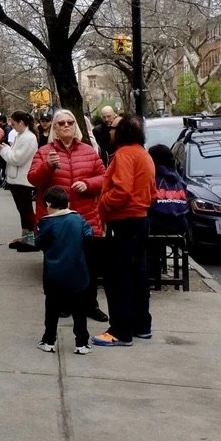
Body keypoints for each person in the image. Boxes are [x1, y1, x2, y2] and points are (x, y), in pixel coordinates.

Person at [27, 108, 108, 321]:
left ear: (76, 126)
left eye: (69, 122)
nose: (66, 126)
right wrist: (48, 167)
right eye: (61, 123)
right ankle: (62, 304)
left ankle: (90, 305)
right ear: (54, 128)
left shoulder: (89, 151)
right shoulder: (45, 152)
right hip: (56, 221)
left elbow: (104, 177)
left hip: (85, 218)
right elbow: (34, 180)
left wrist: (88, 184)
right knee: (58, 265)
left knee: (89, 265)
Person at [93, 114, 157, 347]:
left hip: (123, 221)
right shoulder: (143, 153)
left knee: (118, 278)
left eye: (111, 128)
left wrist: (103, 203)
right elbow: (151, 191)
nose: (108, 131)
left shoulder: (124, 155)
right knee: (138, 275)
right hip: (139, 220)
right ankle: (141, 325)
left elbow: (122, 191)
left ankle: (120, 330)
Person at [36, 186, 93, 355]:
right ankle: (82, 343)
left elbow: (39, 243)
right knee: (79, 311)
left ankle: (48, 340)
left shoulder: (47, 223)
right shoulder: (79, 219)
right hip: (78, 274)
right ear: (67, 203)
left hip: (54, 274)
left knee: (52, 309)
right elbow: (89, 236)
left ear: (48, 204)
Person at [0, 111, 39, 243]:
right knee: (23, 210)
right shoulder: (21, 135)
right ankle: (26, 236)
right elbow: (15, 155)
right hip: (17, 178)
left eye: (13, 123)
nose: (12, 126)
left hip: (22, 179)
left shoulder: (28, 138)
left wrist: (3, 150)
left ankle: (30, 238)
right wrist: (5, 148)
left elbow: (16, 159)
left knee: (26, 210)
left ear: (21, 123)